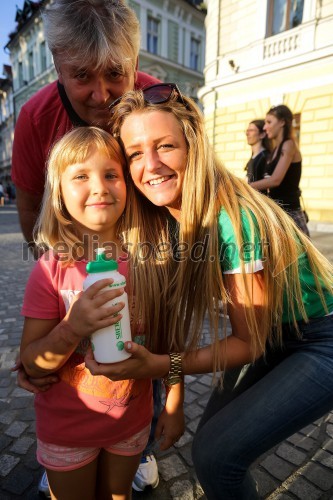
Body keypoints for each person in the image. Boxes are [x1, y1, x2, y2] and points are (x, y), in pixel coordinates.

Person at [82, 84, 333, 499]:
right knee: (209, 447)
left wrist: (158, 367)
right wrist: (174, 403)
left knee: (217, 456)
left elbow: (247, 344)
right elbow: (176, 316)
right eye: (135, 153)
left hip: (319, 339)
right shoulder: (170, 217)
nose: (152, 164)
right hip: (270, 333)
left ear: (193, 145)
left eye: (165, 146)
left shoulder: (234, 220)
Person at [11, 0, 161, 493]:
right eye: (82, 77)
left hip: (144, 256)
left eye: (116, 73)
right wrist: (55, 284)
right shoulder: (35, 119)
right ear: (57, 65)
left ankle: (140, 443)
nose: (102, 94)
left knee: (141, 351)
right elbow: (34, 212)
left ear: (134, 63)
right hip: (72, 275)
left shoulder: (152, 98)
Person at [19, 126, 184, 500]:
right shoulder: (51, 269)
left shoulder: (150, 264)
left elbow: (170, 347)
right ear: (59, 193)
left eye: (111, 174)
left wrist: (173, 405)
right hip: (67, 431)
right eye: (80, 176)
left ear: (127, 185)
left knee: (119, 496)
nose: (99, 186)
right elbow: (31, 364)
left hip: (131, 426)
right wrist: (71, 327)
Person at [249, 105, 310, 236]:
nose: (265, 127)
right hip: (277, 213)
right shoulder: (275, 150)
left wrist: (245, 186)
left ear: (282, 122)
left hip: (290, 214)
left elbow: (275, 180)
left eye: (269, 122)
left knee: (302, 256)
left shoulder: (288, 144)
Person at [244, 119, 270, 189]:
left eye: (251, 130)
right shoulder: (253, 158)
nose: (247, 133)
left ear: (262, 135)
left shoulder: (266, 157)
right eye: (247, 130)